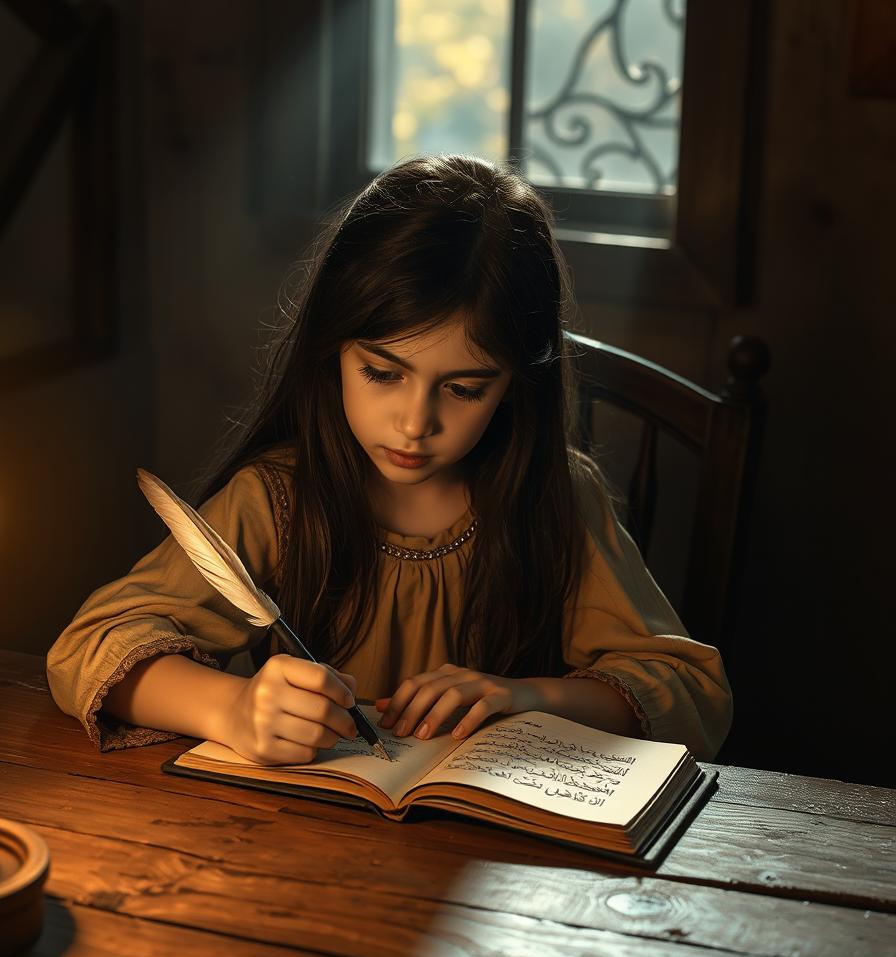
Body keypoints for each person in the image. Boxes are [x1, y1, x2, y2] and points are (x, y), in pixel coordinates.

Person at [46, 154, 731, 765]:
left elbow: (691, 692)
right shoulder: (279, 499)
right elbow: (90, 648)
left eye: (464, 388)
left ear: (515, 384)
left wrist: (530, 698)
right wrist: (231, 709)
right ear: (333, 350)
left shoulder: (556, 499)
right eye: (382, 373)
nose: (415, 422)